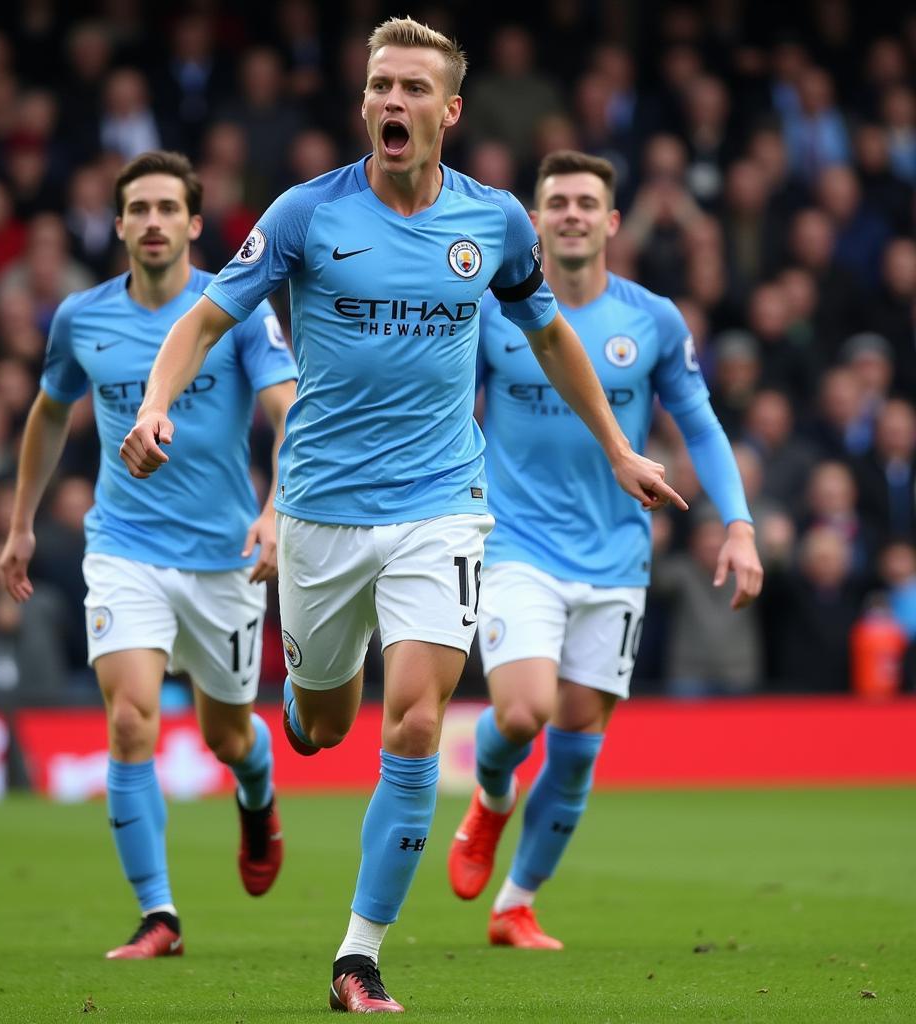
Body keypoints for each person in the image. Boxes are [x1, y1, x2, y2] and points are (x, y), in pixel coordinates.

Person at [119, 21, 683, 1014]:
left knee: (417, 716)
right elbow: (207, 318)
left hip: (443, 506)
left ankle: (358, 955)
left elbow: (548, 337)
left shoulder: (497, 222)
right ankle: (293, 712)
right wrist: (158, 400)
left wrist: (616, 447)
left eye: (412, 88)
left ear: (447, 111)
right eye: (379, 84)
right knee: (322, 727)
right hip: (322, 512)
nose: (391, 101)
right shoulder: (305, 214)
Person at [447, 150, 762, 948]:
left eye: (588, 202)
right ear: (537, 220)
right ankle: (488, 798)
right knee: (522, 713)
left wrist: (740, 524)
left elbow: (699, 423)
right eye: (558, 202)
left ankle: (517, 903)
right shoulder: (494, 311)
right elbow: (448, 405)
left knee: (579, 747)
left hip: (617, 557)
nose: (574, 214)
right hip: (515, 543)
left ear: (613, 221)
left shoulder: (651, 319)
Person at [0, 150, 297, 960]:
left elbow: (288, 411)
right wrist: (22, 522)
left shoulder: (233, 308)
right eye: (141, 209)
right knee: (129, 720)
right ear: (121, 223)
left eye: (171, 208)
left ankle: (256, 790)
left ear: (195, 224)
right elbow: (48, 413)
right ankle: (159, 916)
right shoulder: (80, 318)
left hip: (224, 557)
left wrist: (275, 513)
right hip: (124, 547)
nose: (155, 222)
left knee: (228, 735)